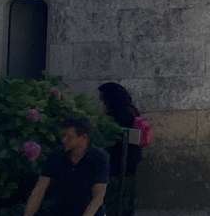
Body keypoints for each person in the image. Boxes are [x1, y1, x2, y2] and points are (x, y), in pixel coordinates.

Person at [22, 117, 108, 216]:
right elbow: (39, 190)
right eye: (63, 136)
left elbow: (98, 197)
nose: (64, 140)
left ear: (84, 137)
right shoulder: (57, 155)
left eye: (69, 137)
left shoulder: (99, 158)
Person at [98, 82, 143, 216]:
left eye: (102, 98)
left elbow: (113, 137)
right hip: (128, 160)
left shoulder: (119, 114)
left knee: (116, 197)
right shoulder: (131, 110)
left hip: (120, 161)